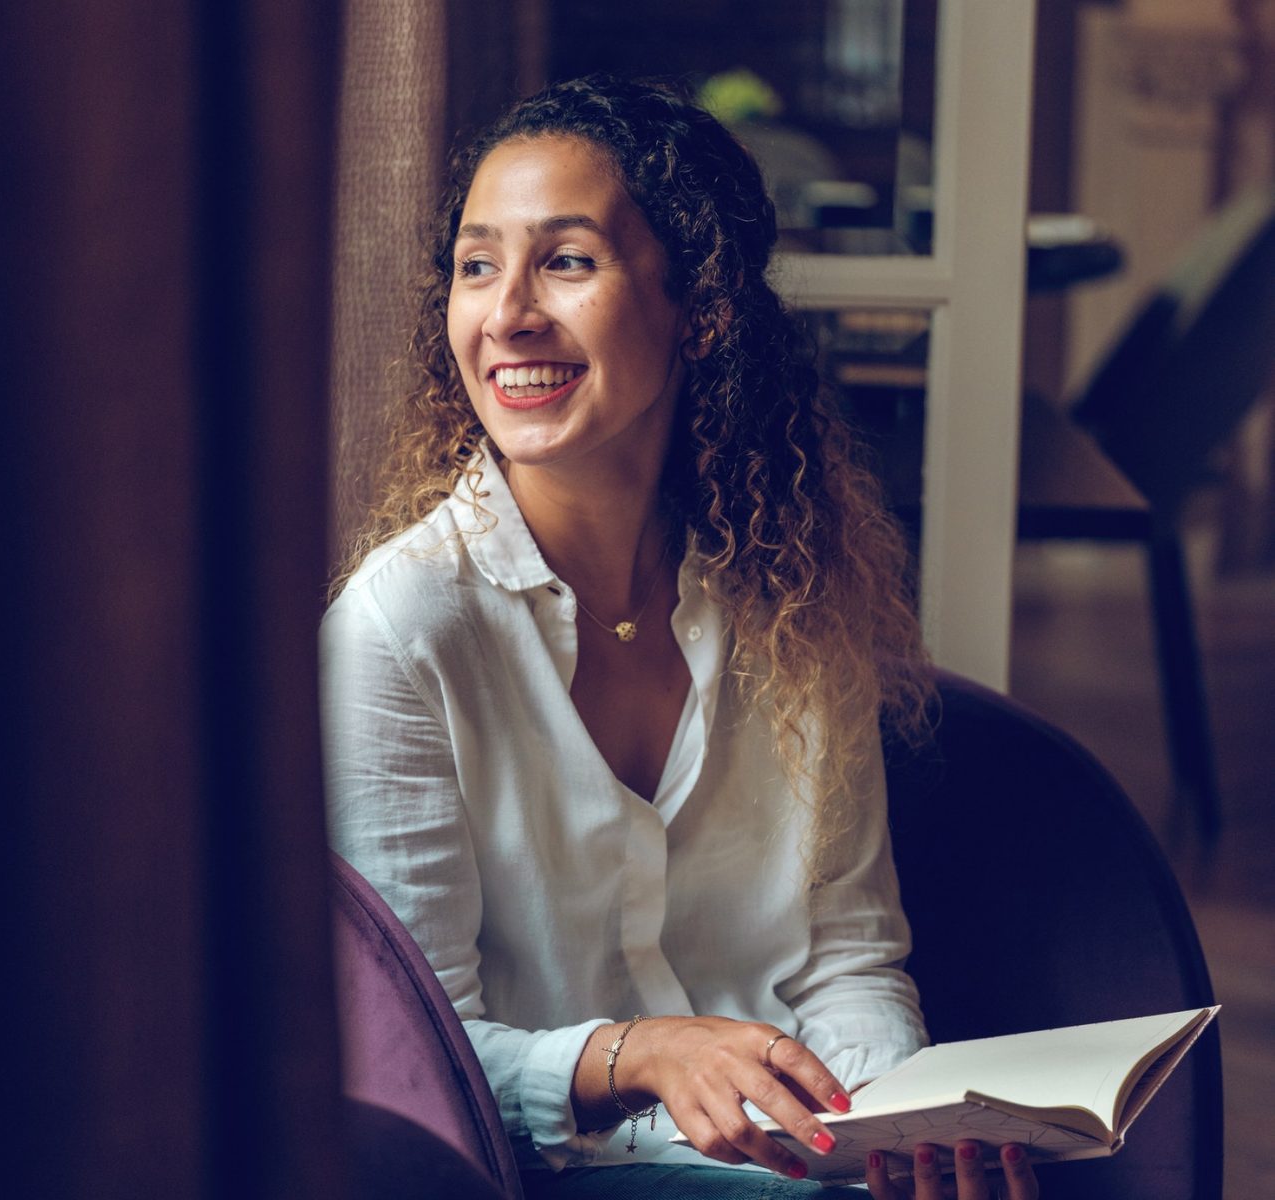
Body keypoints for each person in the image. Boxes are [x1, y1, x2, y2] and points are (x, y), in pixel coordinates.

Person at [322, 75, 1040, 1200]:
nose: (505, 311)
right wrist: (632, 1056)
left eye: (565, 260)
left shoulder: (796, 597)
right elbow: (411, 1057)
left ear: (699, 307)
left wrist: (886, 1142)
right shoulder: (397, 629)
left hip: (787, 1171)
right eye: (476, 264)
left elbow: (849, 957)